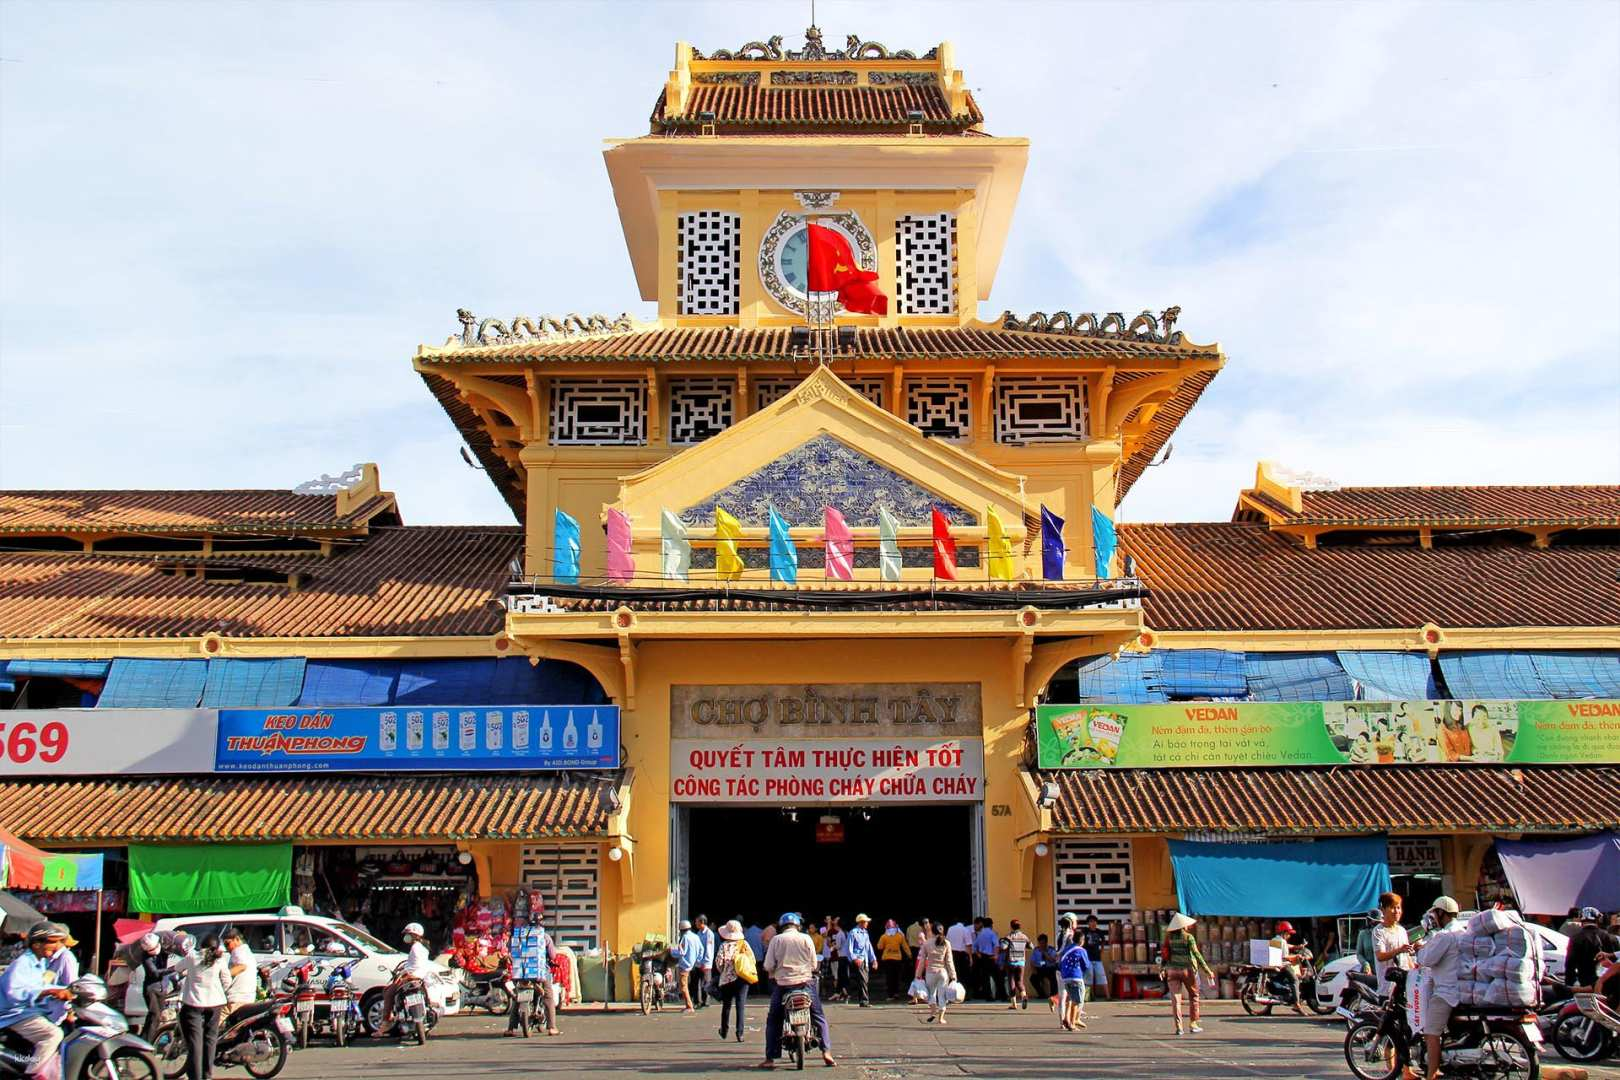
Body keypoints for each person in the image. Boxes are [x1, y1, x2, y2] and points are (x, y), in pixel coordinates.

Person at [758, 913, 834, 1069]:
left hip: (783, 985)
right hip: (805, 983)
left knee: (773, 1020)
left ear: (782, 926)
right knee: (819, 1016)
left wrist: (775, 970)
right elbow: (814, 964)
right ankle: (826, 1052)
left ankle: (770, 1058)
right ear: (798, 926)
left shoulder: (776, 940)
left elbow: (768, 965)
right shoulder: (806, 939)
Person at [0, 923, 75, 1078]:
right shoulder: (22, 963)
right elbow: (15, 992)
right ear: (36, 944)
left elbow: (40, 985)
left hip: (30, 1011)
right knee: (52, 1035)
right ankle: (33, 1074)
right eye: (52, 942)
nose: (56, 946)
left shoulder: (40, 963)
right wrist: (48, 991)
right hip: (15, 1014)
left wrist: (62, 990)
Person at [1413, 897, 1462, 1080]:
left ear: (1441, 913)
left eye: (1435, 913)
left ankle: (1432, 1074)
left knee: (1431, 1032)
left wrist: (1420, 948)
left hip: (1446, 992)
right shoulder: (1462, 932)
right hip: (1462, 989)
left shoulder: (1444, 936)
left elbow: (1426, 960)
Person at [173, 933, 230, 1080]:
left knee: (195, 1042)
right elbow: (227, 981)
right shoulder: (220, 959)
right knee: (210, 1040)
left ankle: (196, 1077)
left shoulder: (192, 957)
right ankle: (207, 1075)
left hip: (193, 1004)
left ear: (202, 945)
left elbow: (177, 968)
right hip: (215, 1003)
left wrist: (190, 973)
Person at [1160, 913, 1213, 1036]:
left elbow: (1165, 955)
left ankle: (1179, 1027)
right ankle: (1193, 1024)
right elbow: (1197, 954)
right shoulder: (1189, 938)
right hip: (1187, 970)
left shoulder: (1169, 938)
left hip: (1172, 971)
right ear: (1184, 926)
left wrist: (1162, 969)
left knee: (1176, 1000)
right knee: (1194, 996)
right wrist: (1207, 970)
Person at [379, 922, 434, 1033]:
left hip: (411, 977)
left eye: (408, 934)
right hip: (420, 977)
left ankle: (386, 1022)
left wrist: (405, 973)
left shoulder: (415, 948)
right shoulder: (422, 947)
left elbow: (415, 965)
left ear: (415, 935)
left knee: (388, 992)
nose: (406, 936)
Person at [713, 920, 753, 1043]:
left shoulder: (724, 946)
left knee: (727, 1005)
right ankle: (739, 1033)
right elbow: (752, 959)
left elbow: (718, 963)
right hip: (743, 979)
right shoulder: (744, 944)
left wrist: (724, 972)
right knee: (740, 1006)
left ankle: (724, 1030)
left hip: (727, 980)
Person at [1370, 892, 1413, 999]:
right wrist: (1399, 950)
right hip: (1387, 988)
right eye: (1393, 908)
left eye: (1399, 908)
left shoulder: (1402, 930)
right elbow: (1380, 956)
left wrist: (1414, 970)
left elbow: (1407, 958)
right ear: (1383, 910)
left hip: (1404, 987)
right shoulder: (1378, 931)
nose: (1397, 911)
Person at [1567, 907, 1620, 990]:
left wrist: (1569, 983)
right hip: (1609, 985)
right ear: (1598, 919)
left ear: (1581, 920)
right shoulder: (1611, 938)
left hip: (1584, 982)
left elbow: (1570, 964)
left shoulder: (1575, 939)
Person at [40, 925, 79, 1025]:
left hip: (57, 1014)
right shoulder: (48, 957)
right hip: (43, 1010)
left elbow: (71, 989)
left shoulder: (66, 958)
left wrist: (70, 1011)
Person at [918, 925, 957, 1024]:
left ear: (932, 931)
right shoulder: (946, 943)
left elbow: (922, 961)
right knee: (942, 996)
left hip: (930, 972)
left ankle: (933, 1011)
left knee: (931, 994)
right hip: (943, 973)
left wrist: (918, 974)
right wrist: (953, 975)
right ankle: (941, 1018)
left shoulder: (927, 943)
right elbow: (949, 961)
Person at [1269, 920, 1308, 1013]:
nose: (1289, 936)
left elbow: (1287, 946)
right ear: (1284, 933)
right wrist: (1297, 956)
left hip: (1274, 964)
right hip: (1282, 965)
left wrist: (1297, 947)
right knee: (1295, 980)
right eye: (1288, 934)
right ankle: (1296, 1004)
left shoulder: (1275, 939)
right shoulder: (1282, 941)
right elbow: (1285, 956)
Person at [1056, 931, 1090, 1032]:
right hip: (1076, 976)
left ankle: (1066, 1018)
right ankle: (1073, 1022)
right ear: (1082, 941)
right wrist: (1082, 971)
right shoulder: (1081, 950)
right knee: (1077, 1001)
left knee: (1070, 999)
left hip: (1065, 977)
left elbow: (1060, 960)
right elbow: (1086, 965)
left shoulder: (1067, 949)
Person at [220, 927, 256, 1021]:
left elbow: (242, 966)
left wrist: (222, 974)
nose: (227, 948)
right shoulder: (247, 952)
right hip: (248, 998)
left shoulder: (238, 951)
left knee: (215, 1026)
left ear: (237, 939)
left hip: (236, 998)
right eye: (225, 945)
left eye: (228, 944)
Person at [875, 919, 911, 1002]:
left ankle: (890, 995)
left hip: (887, 960)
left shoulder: (884, 936)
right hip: (897, 959)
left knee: (889, 978)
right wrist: (910, 955)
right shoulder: (900, 936)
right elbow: (905, 947)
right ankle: (896, 993)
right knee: (896, 977)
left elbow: (879, 947)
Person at [845, 915, 876, 1008]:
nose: (867, 923)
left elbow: (869, 947)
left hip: (865, 960)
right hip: (858, 960)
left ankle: (863, 1000)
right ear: (861, 922)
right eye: (866, 922)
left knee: (864, 980)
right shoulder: (853, 933)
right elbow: (849, 948)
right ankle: (864, 1001)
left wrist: (874, 959)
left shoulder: (865, 933)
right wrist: (854, 959)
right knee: (862, 980)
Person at [1081, 914, 1109, 1005]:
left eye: (1094, 921)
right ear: (1088, 923)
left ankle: (1108, 996)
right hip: (1087, 959)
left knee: (1102, 976)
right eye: (1091, 921)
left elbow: (1103, 941)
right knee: (1088, 978)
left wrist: (1102, 950)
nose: (1093, 923)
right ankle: (1088, 997)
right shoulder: (1084, 931)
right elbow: (1080, 941)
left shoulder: (1100, 932)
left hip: (1097, 958)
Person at [1003, 919, 1032, 1010]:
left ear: (1011, 926)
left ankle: (1014, 1004)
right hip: (1021, 962)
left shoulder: (1009, 937)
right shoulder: (1024, 937)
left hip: (1011, 962)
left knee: (1011, 982)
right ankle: (1023, 996)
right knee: (1019, 981)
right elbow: (1031, 946)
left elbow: (1003, 947)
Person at [973, 917, 1003, 1002]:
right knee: (998, 977)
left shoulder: (979, 934)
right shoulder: (992, 933)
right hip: (991, 957)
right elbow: (996, 945)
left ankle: (989, 997)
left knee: (985, 978)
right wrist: (996, 955)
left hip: (983, 957)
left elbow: (974, 947)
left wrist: (979, 955)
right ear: (991, 925)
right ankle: (1002, 995)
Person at [677, 919, 702, 1013]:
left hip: (685, 964)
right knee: (693, 985)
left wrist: (672, 952)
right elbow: (701, 950)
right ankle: (692, 1003)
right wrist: (698, 961)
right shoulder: (696, 936)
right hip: (694, 964)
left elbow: (681, 952)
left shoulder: (685, 938)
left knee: (683, 986)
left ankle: (689, 1006)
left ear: (682, 929)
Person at [945, 920, 973, 998]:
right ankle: (964, 995)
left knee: (953, 974)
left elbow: (946, 941)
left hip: (952, 954)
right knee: (964, 976)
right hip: (963, 955)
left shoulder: (950, 929)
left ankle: (951, 995)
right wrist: (970, 957)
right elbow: (969, 945)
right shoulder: (965, 930)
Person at [694, 915, 715, 1010]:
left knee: (706, 983)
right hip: (698, 962)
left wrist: (705, 963)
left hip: (705, 963)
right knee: (698, 983)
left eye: (697, 922)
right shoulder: (698, 933)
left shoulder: (709, 934)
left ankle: (706, 1001)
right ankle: (699, 1001)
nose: (695, 923)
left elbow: (709, 950)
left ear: (702, 922)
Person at [1029, 934, 1058, 1001]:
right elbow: (1032, 961)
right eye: (1040, 943)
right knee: (1032, 979)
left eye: (1043, 943)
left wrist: (1045, 953)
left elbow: (1053, 960)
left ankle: (1053, 995)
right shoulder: (1036, 950)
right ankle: (1041, 994)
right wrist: (1033, 969)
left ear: (1046, 942)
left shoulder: (1051, 949)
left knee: (1053, 978)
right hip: (1040, 969)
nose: (1041, 945)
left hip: (1049, 968)